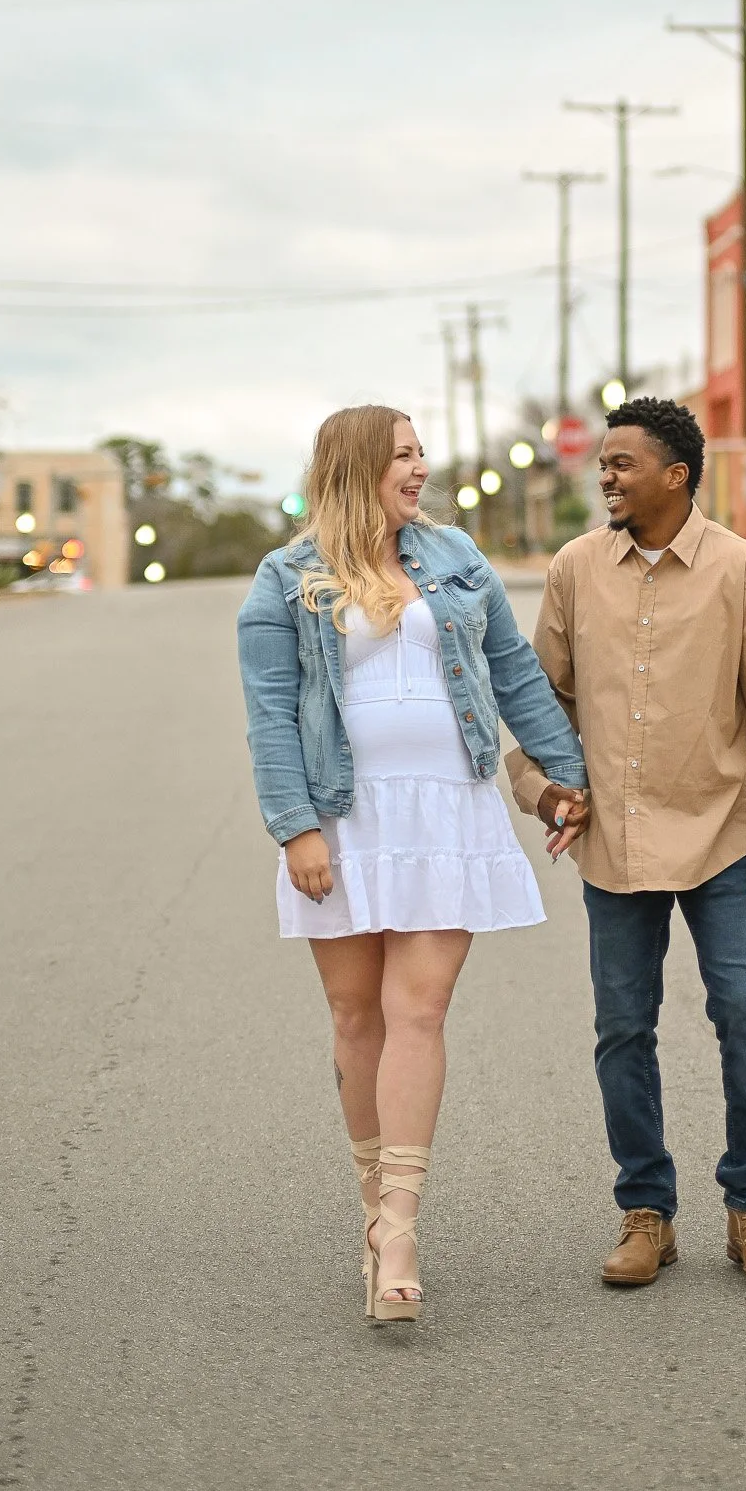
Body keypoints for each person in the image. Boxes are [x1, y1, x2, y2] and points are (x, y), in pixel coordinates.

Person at [237, 404, 588, 1323]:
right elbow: (271, 711)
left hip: (448, 811)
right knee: (358, 1018)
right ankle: (370, 1208)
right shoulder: (285, 578)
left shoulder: (456, 558)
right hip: (342, 820)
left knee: (417, 1009)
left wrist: (565, 779)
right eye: (403, 453)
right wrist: (295, 827)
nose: (421, 466)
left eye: (421, 450)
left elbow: (513, 674)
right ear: (357, 467)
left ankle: (398, 1225)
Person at [509, 396, 746, 1287]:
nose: (603, 476)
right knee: (622, 1029)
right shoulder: (574, 569)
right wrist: (541, 789)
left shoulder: (744, 571)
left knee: (745, 1016)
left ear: (676, 476)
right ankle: (645, 1213)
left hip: (722, 833)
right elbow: (544, 702)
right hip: (616, 840)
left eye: (621, 464)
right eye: (601, 463)